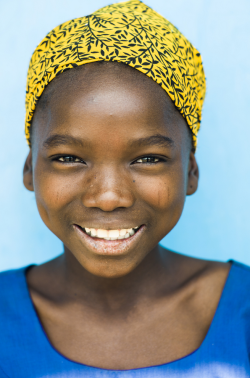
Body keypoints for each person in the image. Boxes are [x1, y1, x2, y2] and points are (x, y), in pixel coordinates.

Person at [1, 0, 250, 377]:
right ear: (30, 169)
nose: (109, 196)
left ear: (191, 172)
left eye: (147, 159)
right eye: (69, 157)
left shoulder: (243, 311)